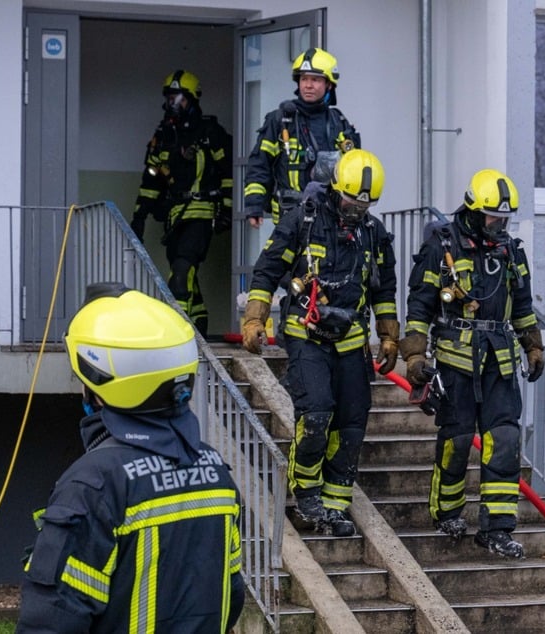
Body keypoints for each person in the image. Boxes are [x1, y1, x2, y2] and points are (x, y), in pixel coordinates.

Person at [17, 283, 244, 633]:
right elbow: (231, 597)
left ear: (99, 383)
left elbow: (50, 621)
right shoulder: (215, 471)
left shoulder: (93, 485)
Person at [241, 149, 397, 537]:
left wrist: (391, 336)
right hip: (305, 333)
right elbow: (268, 269)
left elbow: (384, 290)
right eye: (350, 201)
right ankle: (307, 492)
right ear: (335, 189)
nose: (355, 210)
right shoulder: (304, 221)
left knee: (352, 424)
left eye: (364, 205)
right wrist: (254, 318)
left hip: (351, 339)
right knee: (316, 415)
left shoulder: (373, 234)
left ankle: (335, 504)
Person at [398, 169, 545, 559]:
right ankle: (447, 512)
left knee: (505, 441)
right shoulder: (441, 246)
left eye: (505, 219)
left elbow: (525, 307)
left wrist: (533, 346)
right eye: (494, 218)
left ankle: (497, 528)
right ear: (473, 211)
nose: (500, 225)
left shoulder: (511, 252)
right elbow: (419, 307)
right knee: (457, 443)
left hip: (499, 361)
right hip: (455, 361)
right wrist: (414, 356)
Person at [130, 69, 233, 337]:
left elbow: (228, 173)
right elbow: (150, 181)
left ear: (192, 99)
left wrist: (228, 209)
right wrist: (139, 218)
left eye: (178, 97)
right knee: (184, 272)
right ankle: (198, 323)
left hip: (202, 213)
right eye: (170, 96)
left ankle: (178, 329)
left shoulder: (210, 132)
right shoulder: (163, 135)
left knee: (182, 268)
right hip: (175, 216)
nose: (172, 103)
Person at [243, 47, 361, 227]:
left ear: (329, 84)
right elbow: (260, 164)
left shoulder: (339, 122)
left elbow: (355, 169)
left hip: (331, 216)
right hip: (290, 215)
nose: (308, 85)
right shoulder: (281, 120)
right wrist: (254, 205)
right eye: (304, 79)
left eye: (315, 79)